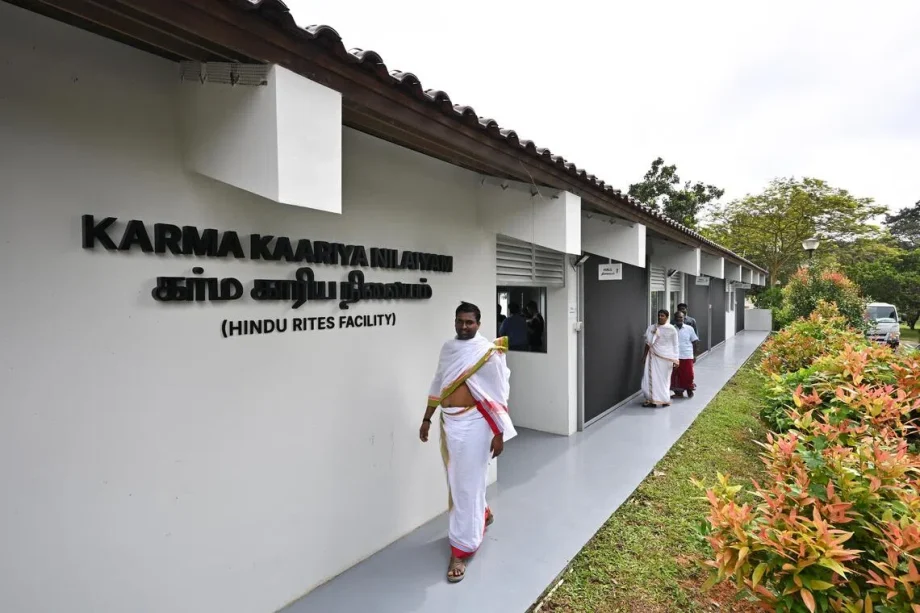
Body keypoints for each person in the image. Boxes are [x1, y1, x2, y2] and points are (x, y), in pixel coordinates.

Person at [420, 302, 517, 583]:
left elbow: (498, 394)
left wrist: (498, 434)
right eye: (459, 321)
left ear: (479, 323)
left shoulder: (488, 352)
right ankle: (482, 512)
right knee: (462, 480)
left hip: (476, 424)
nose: (464, 327)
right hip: (449, 424)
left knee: (464, 484)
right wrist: (427, 418)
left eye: (469, 322)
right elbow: (439, 383)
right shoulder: (449, 349)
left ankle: (461, 549)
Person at [641, 309, 680, 407]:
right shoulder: (651, 328)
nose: (660, 317)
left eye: (662, 315)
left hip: (667, 358)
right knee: (651, 378)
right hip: (653, 356)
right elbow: (648, 344)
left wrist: (676, 359)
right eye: (659, 315)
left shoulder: (671, 329)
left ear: (667, 317)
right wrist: (644, 356)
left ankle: (664, 399)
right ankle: (651, 399)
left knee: (664, 380)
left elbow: (675, 345)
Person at [671, 311, 699, 397]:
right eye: (677, 317)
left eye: (681, 317)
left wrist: (695, 355)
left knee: (689, 375)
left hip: (687, 355)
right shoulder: (671, 329)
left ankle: (689, 390)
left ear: (684, 318)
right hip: (674, 356)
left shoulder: (689, 328)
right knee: (675, 376)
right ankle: (679, 393)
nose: (679, 319)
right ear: (674, 318)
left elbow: (695, 342)